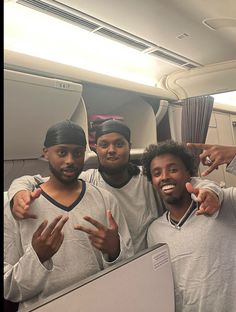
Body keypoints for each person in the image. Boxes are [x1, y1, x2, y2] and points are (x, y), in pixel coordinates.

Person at [8, 120, 223, 254]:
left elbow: (190, 183)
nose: (112, 150)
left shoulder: (148, 178)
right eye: (104, 144)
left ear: (130, 146)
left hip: (155, 258)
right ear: (95, 149)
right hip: (113, 264)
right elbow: (37, 180)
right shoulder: (88, 180)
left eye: (119, 144)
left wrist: (212, 191)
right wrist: (18, 191)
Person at [4, 120, 133, 311]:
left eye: (77, 153)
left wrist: (114, 252)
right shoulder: (19, 206)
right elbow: (9, 289)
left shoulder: (105, 200)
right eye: (62, 152)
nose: (70, 160)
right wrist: (37, 258)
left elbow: (129, 268)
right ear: (45, 152)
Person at [142, 141, 236, 312]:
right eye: (157, 173)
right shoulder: (155, 232)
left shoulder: (226, 203)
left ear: (188, 173)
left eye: (173, 169)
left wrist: (234, 156)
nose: (164, 177)